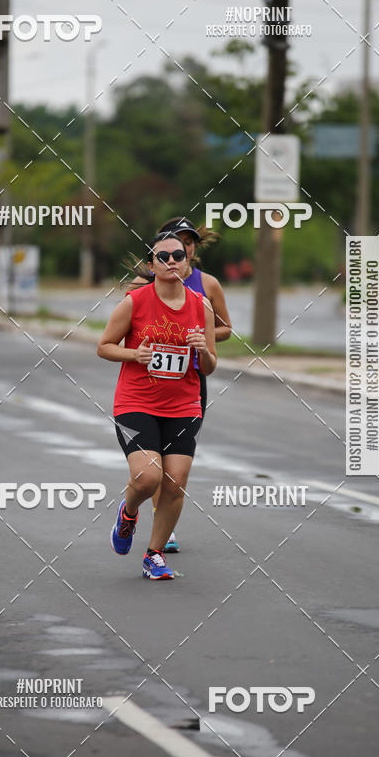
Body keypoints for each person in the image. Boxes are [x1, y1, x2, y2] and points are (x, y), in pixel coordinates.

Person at [97, 232, 217, 580]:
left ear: (188, 261)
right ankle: (129, 511)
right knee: (148, 477)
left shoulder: (201, 305)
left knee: (175, 482)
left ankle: (154, 555)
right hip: (136, 401)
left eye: (178, 255)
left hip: (183, 405)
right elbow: (104, 346)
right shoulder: (135, 302)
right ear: (151, 265)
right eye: (162, 257)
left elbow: (210, 366)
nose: (171, 261)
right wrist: (134, 354)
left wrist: (203, 351)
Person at [151, 217, 232, 552]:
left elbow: (227, 328)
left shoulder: (208, 284)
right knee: (154, 460)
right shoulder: (150, 280)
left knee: (175, 460)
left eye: (189, 242)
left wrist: (203, 336)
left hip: (193, 378)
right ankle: (161, 523)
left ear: (194, 250)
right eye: (177, 241)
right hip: (153, 382)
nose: (183, 247)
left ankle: (164, 522)